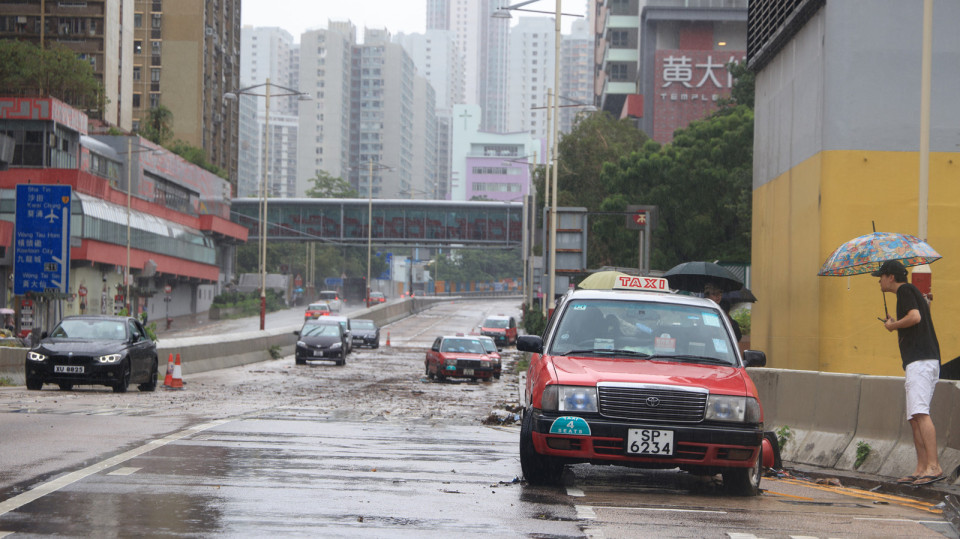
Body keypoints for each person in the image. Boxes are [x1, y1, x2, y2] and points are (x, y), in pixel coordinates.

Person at [874, 260, 943, 486]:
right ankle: (921, 467)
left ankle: (933, 466)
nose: (879, 281)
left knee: (920, 413)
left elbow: (915, 317)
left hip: (921, 361)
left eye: (881, 276)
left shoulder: (904, 290)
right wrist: (895, 323)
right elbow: (915, 318)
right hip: (919, 361)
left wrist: (893, 326)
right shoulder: (909, 292)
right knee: (914, 417)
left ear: (891, 277)